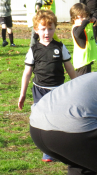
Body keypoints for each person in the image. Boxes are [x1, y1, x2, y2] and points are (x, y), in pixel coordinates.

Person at [18, 9, 76, 162]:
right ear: (36, 30)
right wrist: (22, 93)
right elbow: (27, 72)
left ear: (55, 29)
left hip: (58, 90)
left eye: (50, 28)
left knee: (59, 119)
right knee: (42, 120)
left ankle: (61, 148)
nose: (47, 32)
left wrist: (77, 83)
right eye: (43, 29)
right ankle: (47, 151)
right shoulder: (34, 50)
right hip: (40, 90)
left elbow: (69, 68)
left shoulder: (59, 47)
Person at [70, 3, 97, 76]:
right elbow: (78, 34)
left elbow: (90, 23)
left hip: (87, 60)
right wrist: (84, 23)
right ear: (74, 17)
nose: (84, 19)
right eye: (81, 17)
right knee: (82, 82)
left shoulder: (83, 26)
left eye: (85, 16)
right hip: (82, 63)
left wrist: (93, 20)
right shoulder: (76, 28)